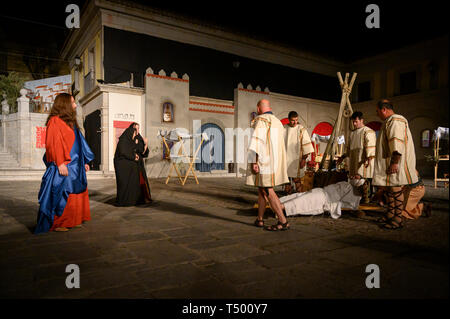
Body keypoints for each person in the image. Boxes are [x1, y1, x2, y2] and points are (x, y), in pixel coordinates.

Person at [35, 93, 94, 234]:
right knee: (63, 194)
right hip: (65, 165)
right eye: (73, 102)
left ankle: (74, 220)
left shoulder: (71, 123)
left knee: (77, 192)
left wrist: (84, 161)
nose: (75, 105)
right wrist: (60, 163)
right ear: (65, 104)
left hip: (76, 166)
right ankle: (60, 222)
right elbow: (53, 144)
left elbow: (80, 144)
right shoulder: (55, 121)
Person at [372, 99, 419, 229]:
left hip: (394, 163)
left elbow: (396, 142)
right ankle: (390, 214)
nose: (377, 114)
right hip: (390, 162)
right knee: (390, 189)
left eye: (377, 111)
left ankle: (398, 219)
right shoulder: (390, 121)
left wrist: (394, 162)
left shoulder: (395, 121)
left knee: (396, 189)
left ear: (384, 110)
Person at [246, 99, 290, 231]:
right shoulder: (277, 121)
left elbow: (257, 141)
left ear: (258, 108)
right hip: (275, 161)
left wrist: (254, 161)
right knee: (262, 190)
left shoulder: (261, 120)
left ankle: (283, 221)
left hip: (264, 162)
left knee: (267, 189)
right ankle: (260, 219)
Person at [337, 111, 376, 203]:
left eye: (356, 121)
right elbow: (349, 148)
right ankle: (357, 201)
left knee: (362, 179)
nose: (354, 124)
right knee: (353, 180)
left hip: (363, 159)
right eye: (353, 122)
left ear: (362, 120)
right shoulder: (352, 133)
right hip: (354, 160)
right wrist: (342, 156)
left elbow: (371, 145)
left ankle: (366, 200)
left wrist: (369, 157)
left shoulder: (368, 131)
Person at [279, 179, 362, 219]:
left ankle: (280, 207)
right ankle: (277, 202)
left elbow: (350, 205)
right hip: (321, 191)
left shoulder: (355, 194)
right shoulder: (347, 184)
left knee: (302, 202)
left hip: (324, 199)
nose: (353, 177)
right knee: (298, 196)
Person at [114, 122, 152, 206]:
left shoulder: (139, 137)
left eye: (138, 128)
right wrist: (133, 156)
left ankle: (139, 198)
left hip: (137, 164)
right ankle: (129, 199)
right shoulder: (126, 138)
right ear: (131, 129)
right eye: (135, 129)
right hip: (127, 164)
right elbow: (124, 151)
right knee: (130, 183)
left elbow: (143, 153)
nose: (137, 130)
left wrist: (145, 145)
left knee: (140, 181)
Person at [284, 111, 314, 194]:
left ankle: (299, 198)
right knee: (287, 181)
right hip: (286, 160)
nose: (295, 122)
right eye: (292, 120)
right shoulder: (284, 128)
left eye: (296, 120)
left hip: (297, 160)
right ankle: (287, 199)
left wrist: (304, 159)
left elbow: (306, 146)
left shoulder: (301, 129)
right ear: (289, 119)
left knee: (297, 180)